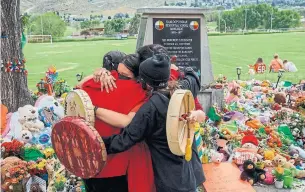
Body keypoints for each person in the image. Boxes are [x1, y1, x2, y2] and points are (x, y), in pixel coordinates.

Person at [100, 54, 205, 192]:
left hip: (170, 180)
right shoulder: (182, 89)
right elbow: (193, 77)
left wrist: (94, 142)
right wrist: (178, 68)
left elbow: (124, 140)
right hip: (190, 174)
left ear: (145, 81)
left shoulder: (150, 109)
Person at [80, 54, 154, 192]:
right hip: (116, 163)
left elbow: (78, 89)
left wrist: (92, 108)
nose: (117, 77)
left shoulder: (96, 83)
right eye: (117, 73)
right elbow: (126, 122)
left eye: (123, 76)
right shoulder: (141, 93)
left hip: (89, 159)